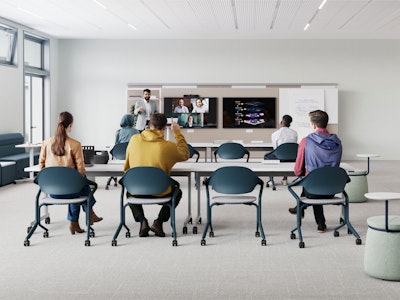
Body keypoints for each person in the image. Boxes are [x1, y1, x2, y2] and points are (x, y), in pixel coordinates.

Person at [124, 113, 190, 237]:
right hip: (160, 191)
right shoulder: (168, 147)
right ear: (165, 128)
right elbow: (185, 154)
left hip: (136, 190)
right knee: (178, 192)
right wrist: (177, 133)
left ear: (149, 125)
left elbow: (127, 166)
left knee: (129, 190)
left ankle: (142, 221)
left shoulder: (134, 140)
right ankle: (159, 222)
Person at [39, 111, 103, 234]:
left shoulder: (46, 143)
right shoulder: (75, 144)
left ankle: (76, 222)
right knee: (80, 186)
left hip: (51, 190)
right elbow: (81, 170)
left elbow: (41, 166)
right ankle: (88, 213)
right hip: (71, 190)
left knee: (77, 186)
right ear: (70, 126)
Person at [289, 110, 342, 233]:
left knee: (312, 183)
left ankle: (300, 208)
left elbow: (297, 171)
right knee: (316, 180)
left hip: (314, 190)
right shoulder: (337, 142)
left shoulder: (306, 141)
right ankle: (320, 223)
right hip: (334, 189)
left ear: (313, 125)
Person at [270, 114, 298, 185]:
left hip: (279, 156)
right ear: (290, 124)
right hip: (292, 157)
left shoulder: (275, 134)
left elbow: (275, 148)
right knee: (286, 156)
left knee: (267, 156)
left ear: (281, 122)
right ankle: (285, 179)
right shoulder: (294, 133)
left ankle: (271, 179)